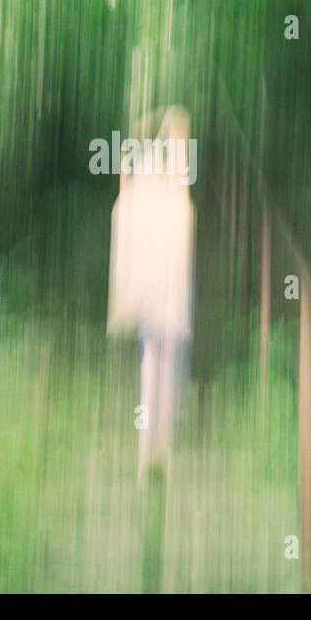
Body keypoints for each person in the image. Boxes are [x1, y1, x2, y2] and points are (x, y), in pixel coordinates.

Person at [107, 106, 195, 487]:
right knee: (164, 361)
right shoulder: (164, 178)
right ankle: (156, 452)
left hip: (157, 280)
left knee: (156, 362)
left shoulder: (141, 170)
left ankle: (152, 456)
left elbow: (124, 195)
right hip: (164, 280)